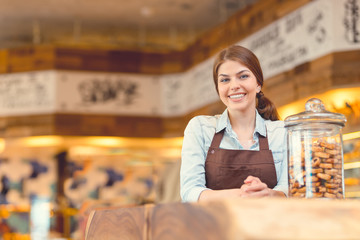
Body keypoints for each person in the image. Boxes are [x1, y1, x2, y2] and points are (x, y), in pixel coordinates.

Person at [180, 45, 288, 202]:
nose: (234, 86)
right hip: (215, 226)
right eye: (225, 80)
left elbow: (290, 189)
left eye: (243, 76)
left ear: (258, 84)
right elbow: (190, 192)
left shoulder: (282, 131)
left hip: (269, 225)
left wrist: (269, 194)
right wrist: (243, 194)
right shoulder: (200, 128)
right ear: (218, 88)